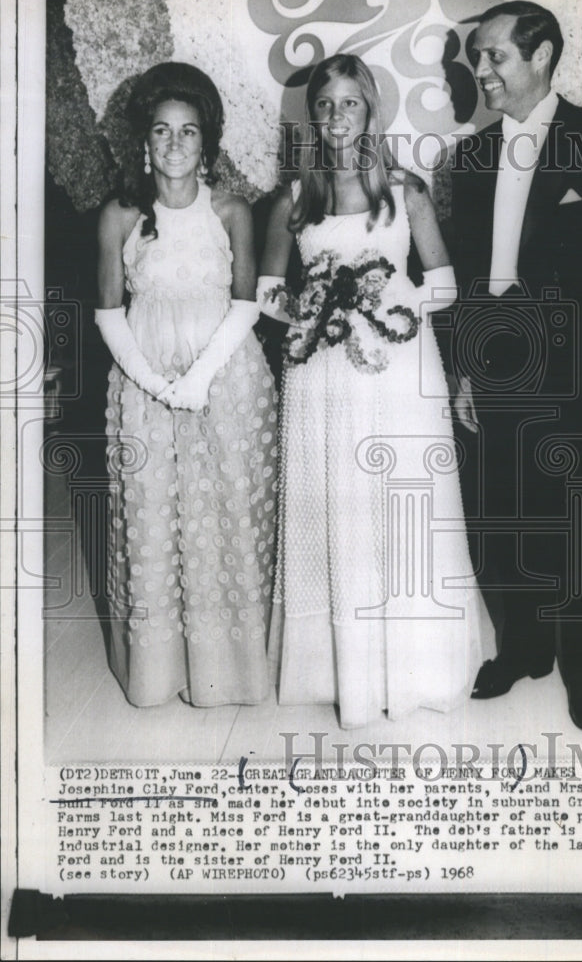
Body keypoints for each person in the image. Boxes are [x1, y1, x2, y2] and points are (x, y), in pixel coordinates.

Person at [450, 1, 582, 729]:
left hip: (579, 373)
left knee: (575, 528)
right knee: (501, 522)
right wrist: (464, 372)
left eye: (493, 57)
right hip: (498, 366)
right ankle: (521, 651)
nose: (479, 71)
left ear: (540, 56)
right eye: (476, 58)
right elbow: (468, 276)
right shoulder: (473, 155)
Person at [260, 54, 488, 730]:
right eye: (323, 105)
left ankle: (416, 664)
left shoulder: (404, 189)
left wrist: (388, 304)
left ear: (369, 111)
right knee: (339, 504)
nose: (334, 118)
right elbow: (268, 293)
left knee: (400, 505)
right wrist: (315, 309)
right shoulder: (293, 200)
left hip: (398, 368)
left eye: (347, 104)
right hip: (322, 374)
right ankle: (342, 672)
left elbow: (443, 283)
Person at [95, 62, 278, 707]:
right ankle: (156, 672)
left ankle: (225, 672)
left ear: (208, 143)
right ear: (143, 143)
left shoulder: (231, 210)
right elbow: (109, 313)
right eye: (162, 132)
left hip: (222, 380)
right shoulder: (119, 215)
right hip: (145, 387)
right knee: (152, 515)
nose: (175, 145)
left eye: (189, 132)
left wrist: (198, 380)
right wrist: (154, 384)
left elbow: (246, 303)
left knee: (220, 513)